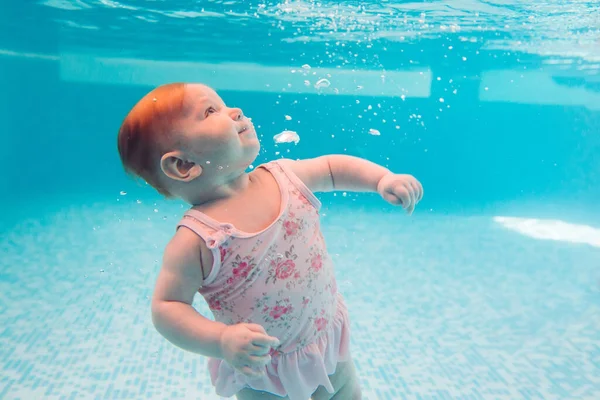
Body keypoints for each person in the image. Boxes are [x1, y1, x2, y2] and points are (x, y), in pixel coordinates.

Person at [117, 83, 423, 400]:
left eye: (224, 104)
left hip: (326, 343)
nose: (234, 111)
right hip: (265, 374)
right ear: (184, 165)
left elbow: (332, 168)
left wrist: (381, 179)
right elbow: (167, 308)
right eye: (211, 111)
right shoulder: (198, 240)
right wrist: (221, 340)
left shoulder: (285, 177)